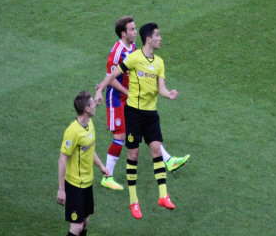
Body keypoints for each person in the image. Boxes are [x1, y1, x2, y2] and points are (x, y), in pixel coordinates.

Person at [95, 22, 178, 220]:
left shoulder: (160, 62)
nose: (160, 38)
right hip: (133, 113)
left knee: (156, 149)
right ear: (149, 38)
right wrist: (100, 90)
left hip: (151, 114)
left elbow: (161, 87)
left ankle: (163, 196)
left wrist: (168, 94)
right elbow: (112, 74)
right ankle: (134, 201)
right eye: (157, 35)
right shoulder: (134, 57)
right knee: (133, 154)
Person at [101, 16, 190, 192]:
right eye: (132, 29)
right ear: (123, 33)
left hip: (131, 98)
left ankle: (168, 160)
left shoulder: (134, 48)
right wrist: (124, 91)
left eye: (135, 29)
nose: (135, 32)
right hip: (116, 98)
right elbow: (110, 78)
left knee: (147, 131)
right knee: (120, 136)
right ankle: (107, 177)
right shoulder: (117, 52)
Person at [57, 91, 109, 236]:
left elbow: (89, 149)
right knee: (77, 226)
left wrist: (101, 166)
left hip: (87, 182)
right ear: (86, 109)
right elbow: (62, 159)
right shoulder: (72, 131)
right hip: (74, 185)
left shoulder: (89, 123)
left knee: (85, 221)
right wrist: (61, 189)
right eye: (93, 104)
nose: (95, 106)